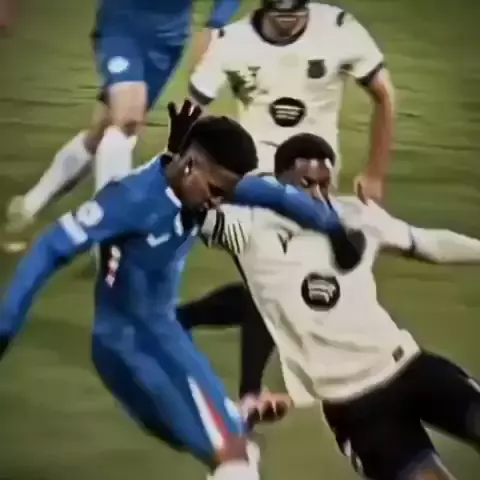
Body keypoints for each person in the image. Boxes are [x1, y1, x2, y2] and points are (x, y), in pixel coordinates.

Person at [0, 103, 357, 480]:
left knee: (234, 452)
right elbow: (50, 247)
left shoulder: (201, 182)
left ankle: (233, 417)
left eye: (225, 194)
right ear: (190, 165)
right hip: (135, 346)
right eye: (215, 191)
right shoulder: (132, 199)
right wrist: (6, 324)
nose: (218, 202)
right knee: (234, 458)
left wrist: (333, 228)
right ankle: (230, 421)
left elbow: (278, 196)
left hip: (157, 343)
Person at [198, 133, 480, 480]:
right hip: (355, 408)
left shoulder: (355, 215)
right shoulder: (246, 228)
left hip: (409, 366)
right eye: (306, 184)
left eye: (324, 184)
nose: (318, 196)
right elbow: (193, 200)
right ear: (279, 182)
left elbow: (427, 243)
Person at [3, 0, 242, 249]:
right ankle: (110, 235)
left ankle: (29, 206)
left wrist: (216, 24)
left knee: (103, 130)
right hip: (122, 26)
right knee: (127, 117)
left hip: (169, 40)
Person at [189, 0, 395, 201]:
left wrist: (375, 174)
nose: (287, 13)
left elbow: (385, 95)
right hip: (257, 171)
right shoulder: (232, 40)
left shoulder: (339, 29)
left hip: (317, 173)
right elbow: (192, 109)